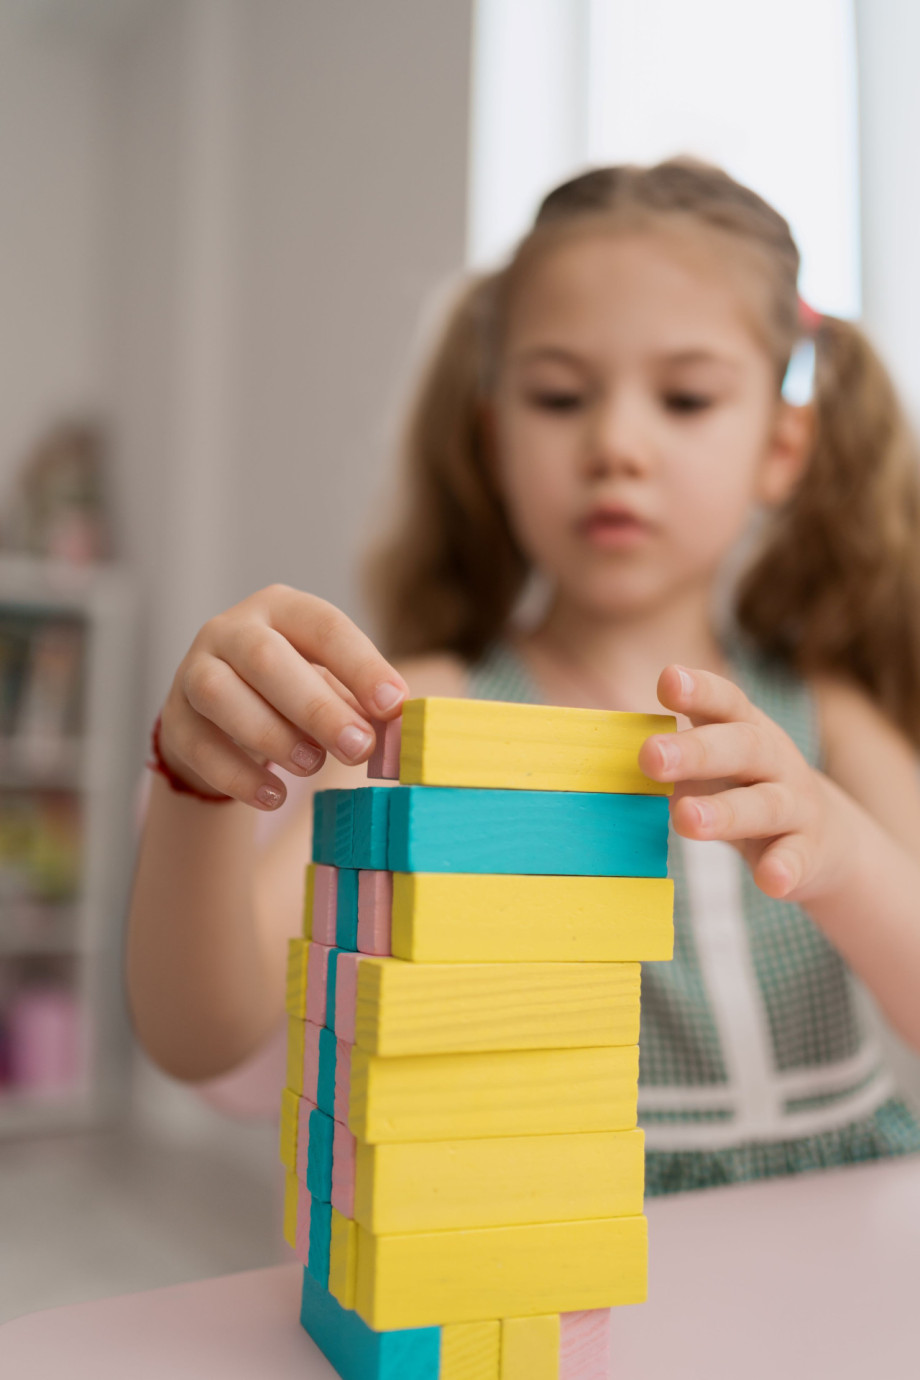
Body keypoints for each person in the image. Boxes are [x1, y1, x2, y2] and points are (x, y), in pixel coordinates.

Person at [127, 158, 920, 1194]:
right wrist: (202, 786)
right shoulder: (414, 715)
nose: (614, 445)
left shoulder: (823, 716)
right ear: (493, 432)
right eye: (557, 395)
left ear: (780, 447)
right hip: (552, 1250)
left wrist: (839, 851)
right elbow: (205, 1035)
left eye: (683, 398)